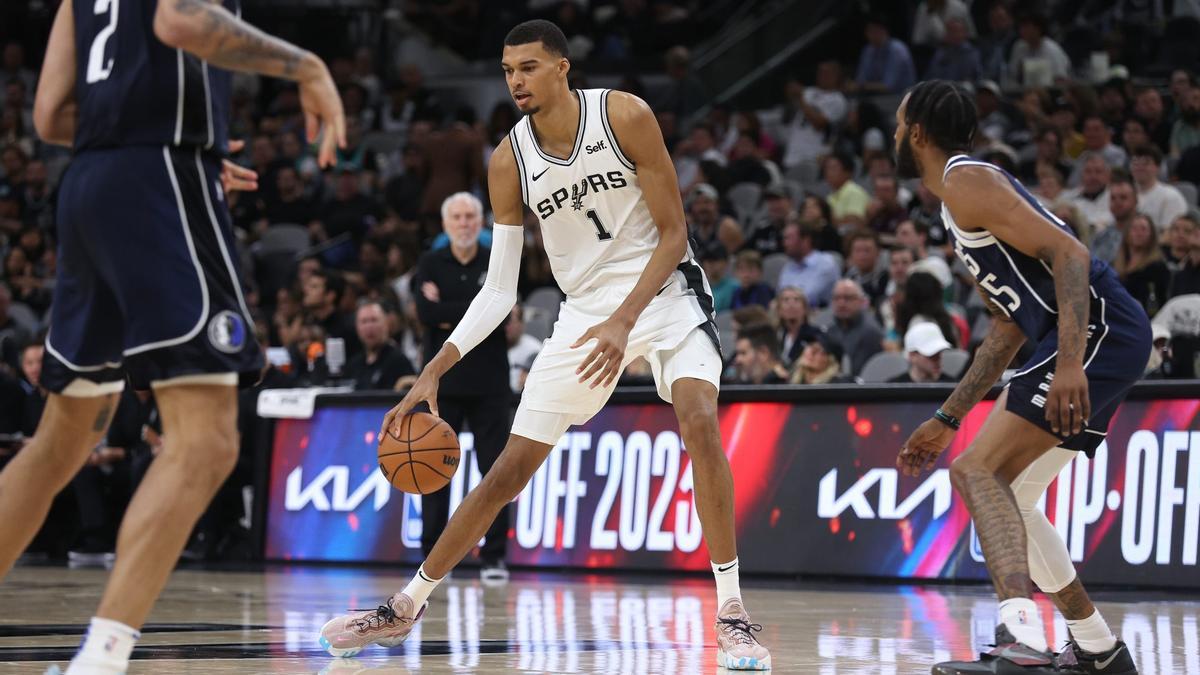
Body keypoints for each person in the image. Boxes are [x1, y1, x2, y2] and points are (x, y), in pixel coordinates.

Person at [319, 21, 771, 670]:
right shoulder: (508, 159)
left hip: (665, 296)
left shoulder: (624, 115)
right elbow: (499, 291)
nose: (516, 81)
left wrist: (625, 319)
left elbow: (675, 235)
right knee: (504, 472)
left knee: (700, 422)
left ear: (563, 68)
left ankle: (731, 609)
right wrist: (432, 370)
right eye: (507, 71)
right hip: (584, 315)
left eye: (529, 67)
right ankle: (406, 606)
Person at [0, 3, 345, 675]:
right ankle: (100, 660)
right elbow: (181, 20)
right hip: (157, 177)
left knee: (59, 442)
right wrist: (307, 66)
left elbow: (48, 117)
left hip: (88, 186)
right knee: (207, 439)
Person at [894, 80, 1148, 675]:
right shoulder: (956, 201)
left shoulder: (966, 180)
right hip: (1096, 336)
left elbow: (1071, 255)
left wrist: (1066, 364)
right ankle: (1098, 649)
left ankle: (1019, 643)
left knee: (977, 470)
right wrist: (947, 416)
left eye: (901, 123)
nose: (896, 133)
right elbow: (1009, 325)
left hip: (1096, 331)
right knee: (1020, 497)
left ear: (918, 133)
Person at [410, 191, 512, 581]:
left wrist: (448, 312)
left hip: (490, 383)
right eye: (457, 217)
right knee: (432, 470)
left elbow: (500, 313)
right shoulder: (430, 262)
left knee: (497, 473)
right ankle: (433, 560)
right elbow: (425, 313)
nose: (465, 223)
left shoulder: (496, 261)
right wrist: (475, 309)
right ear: (445, 224)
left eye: (471, 216)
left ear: (480, 222)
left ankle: (494, 558)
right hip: (442, 384)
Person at [344, 300, 415, 390]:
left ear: (386, 324)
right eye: (364, 321)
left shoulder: (398, 361)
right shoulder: (354, 364)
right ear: (357, 327)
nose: (369, 327)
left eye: (374, 320)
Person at [826, 279, 884, 375]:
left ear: (861, 301)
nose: (841, 304)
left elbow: (859, 373)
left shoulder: (871, 332)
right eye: (837, 298)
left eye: (848, 298)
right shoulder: (829, 331)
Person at [777, 220, 839, 307]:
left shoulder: (825, 263)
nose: (784, 243)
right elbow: (780, 297)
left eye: (789, 238)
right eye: (784, 238)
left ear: (806, 240)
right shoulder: (788, 266)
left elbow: (808, 298)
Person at [1129, 145, 1187, 237]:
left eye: (1145, 163)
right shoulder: (1121, 194)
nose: (1139, 167)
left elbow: (1170, 234)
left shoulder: (1171, 196)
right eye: (1135, 163)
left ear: (1158, 168)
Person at [889, 322, 955, 383]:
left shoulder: (954, 387)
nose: (937, 359)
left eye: (939, 352)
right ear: (912, 355)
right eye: (931, 355)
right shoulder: (892, 389)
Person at [773, 286, 821, 365]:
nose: (791, 304)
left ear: (805, 309)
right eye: (786, 300)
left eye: (796, 300)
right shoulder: (774, 336)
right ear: (779, 310)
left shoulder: (816, 335)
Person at [505, 304, 542, 394]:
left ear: (521, 324)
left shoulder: (534, 349)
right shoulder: (490, 348)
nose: (506, 327)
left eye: (510, 321)